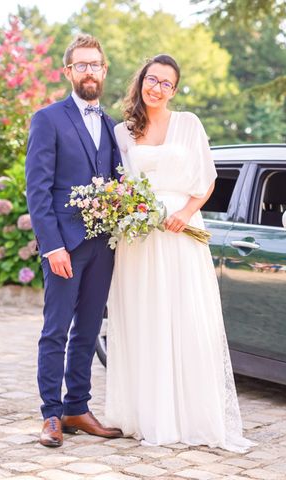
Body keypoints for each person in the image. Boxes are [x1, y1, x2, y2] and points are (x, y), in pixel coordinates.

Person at [105, 54, 254, 452]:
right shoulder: (122, 132)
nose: (157, 88)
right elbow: (118, 184)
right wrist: (131, 212)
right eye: (152, 80)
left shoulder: (189, 124)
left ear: (175, 89)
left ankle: (190, 415)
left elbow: (207, 178)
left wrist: (185, 214)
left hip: (183, 232)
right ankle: (147, 414)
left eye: (166, 84)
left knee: (187, 316)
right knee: (144, 318)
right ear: (141, 82)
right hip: (139, 238)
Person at [26, 34, 123, 447]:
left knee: (87, 330)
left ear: (104, 71)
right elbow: (38, 189)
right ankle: (50, 415)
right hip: (64, 245)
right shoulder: (48, 119)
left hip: (104, 245)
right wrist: (52, 246)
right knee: (56, 331)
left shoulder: (110, 123)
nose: (89, 72)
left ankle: (77, 408)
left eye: (95, 65)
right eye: (80, 65)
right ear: (68, 72)